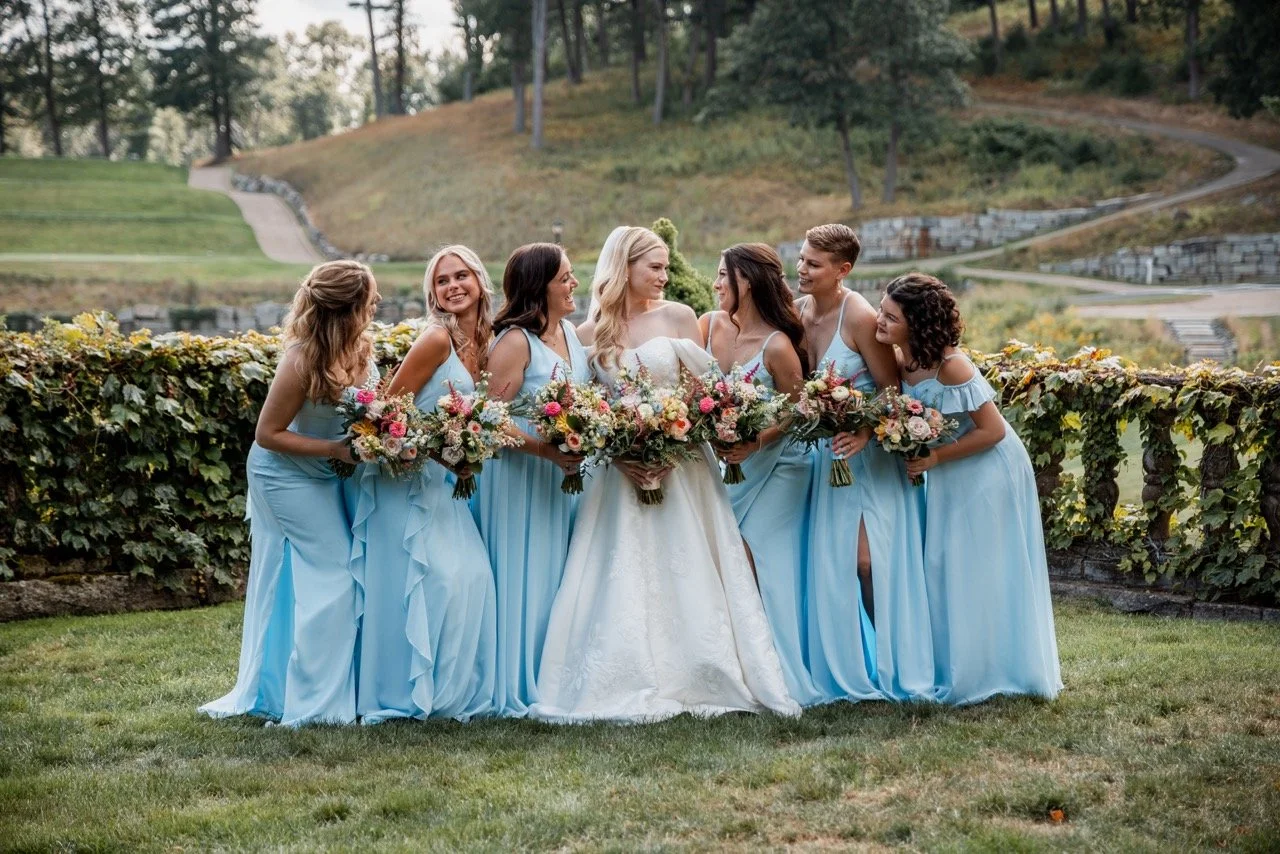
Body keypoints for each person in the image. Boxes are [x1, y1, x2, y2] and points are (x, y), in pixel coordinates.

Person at [528, 226, 800, 723]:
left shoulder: (679, 317)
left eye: (665, 266)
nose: (664, 275)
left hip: (685, 468)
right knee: (621, 568)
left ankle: (704, 669)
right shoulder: (588, 335)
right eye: (654, 266)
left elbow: (705, 394)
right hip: (618, 473)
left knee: (691, 564)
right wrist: (619, 453)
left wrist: (675, 443)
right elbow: (588, 411)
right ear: (624, 267)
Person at [200, 260, 379, 727]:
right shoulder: (302, 358)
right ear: (347, 307)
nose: (376, 304)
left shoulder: (361, 346)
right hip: (283, 475)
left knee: (337, 574)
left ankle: (308, 687)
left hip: (325, 470)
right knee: (337, 576)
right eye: (369, 298)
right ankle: (315, 702)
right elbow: (268, 433)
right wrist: (336, 451)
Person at [880, 272, 1062, 705]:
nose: (880, 321)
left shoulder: (952, 366)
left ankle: (996, 670)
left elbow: (994, 431)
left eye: (890, 316)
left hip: (986, 470)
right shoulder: (898, 357)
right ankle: (953, 665)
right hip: (948, 472)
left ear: (917, 322)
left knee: (977, 567)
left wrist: (935, 458)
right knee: (942, 564)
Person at [349, 246, 499, 723]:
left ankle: (452, 692)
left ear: (479, 280)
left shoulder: (486, 342)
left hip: (448, 481)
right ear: (432, 292)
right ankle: (403, 691)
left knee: (471, 577)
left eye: (461, 276)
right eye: (441, 281)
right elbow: (388, 411)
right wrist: (440, 451)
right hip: (408, 478)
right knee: (430, 580)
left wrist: (467, 451)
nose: (452, 286)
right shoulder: (436, 339)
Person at [796, 224, 935, 703]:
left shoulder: (858, 315)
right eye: (801, 259)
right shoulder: (799, 312)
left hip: (867, 454)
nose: (802, 269)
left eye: (813, 264)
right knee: (832, 563)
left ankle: (896, 662)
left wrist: (861, 428)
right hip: (823, 457)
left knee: (867, 561)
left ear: (843, 269)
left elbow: (892, 389)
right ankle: (845, 665)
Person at [699, 243, 823, 706]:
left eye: (720, 276)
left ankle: (782, 671)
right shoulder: (714, 329)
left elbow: (798, 410)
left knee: (758, 558)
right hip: (734, 466)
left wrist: (756, 440)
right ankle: (740, 666)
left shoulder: (777, 345)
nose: (714, 285)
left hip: (781, 466)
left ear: (744, 282)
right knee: (728, 558)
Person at [474, 243, 591, 717]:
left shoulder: (571, 333)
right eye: (565, 277)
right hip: (519, 477)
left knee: (558, 574)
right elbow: (489, 419)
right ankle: (514, 678)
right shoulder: (515, 341)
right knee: (525, 570)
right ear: (539, 286)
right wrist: (546, 450)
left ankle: (554, 674)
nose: (574, 284)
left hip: (561, 477)